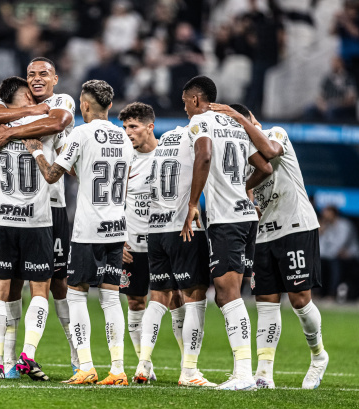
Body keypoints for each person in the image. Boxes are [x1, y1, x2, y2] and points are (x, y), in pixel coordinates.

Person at [211, 102, 330, 390]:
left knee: (300, 299)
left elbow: (273, 154)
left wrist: (239, 117)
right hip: (263, 235)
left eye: (242, 124)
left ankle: (318, 356)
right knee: (266, 302)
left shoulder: (277, 133)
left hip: (296, 226)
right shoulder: (241, 154)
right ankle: (264, 375)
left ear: (251, 120)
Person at [23, 80, 134, 386]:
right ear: (109, 106)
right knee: (112, 299)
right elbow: (117, 182)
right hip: (116, 226)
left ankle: (85, 366)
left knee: (76, 296)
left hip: (88, 229)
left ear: (85, 106)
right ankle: (118, 369)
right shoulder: (124, 138)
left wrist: (36, 151)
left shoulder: (81, 133)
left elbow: (51, 174)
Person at [0, 57, 79, 374]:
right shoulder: (14, 100)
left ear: (55, 79)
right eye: (31, 74)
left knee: (58, 285)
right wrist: (28, 112)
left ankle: (78, 359)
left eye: (43, 74)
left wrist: (11, 131)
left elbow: (58, 122)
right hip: (32, 211)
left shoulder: (62, 100)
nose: (36, 79)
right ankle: (9, 361)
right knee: (17, 285)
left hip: (54, 206)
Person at [181, 75, 272, 390]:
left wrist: (193, 203)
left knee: (227, 294)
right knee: (226, 295)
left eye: (184, 103)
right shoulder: (234, 125)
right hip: (247, 218)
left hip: (227, 221)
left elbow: (204, 156)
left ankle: (244, 375)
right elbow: (265, 167)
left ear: (195, 100)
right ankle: (241, 372)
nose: (185, 110)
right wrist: (241, 188)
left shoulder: (201, 122)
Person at [126, 109, 215, 387]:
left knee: (158, 298)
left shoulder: (164, 144)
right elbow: (206, 161)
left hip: (155, 230)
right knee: (195, 297)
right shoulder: (193, 137)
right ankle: (189, 371)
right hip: (183, 228)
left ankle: (143, 363)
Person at [0, 76, 58, 381]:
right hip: (36, 219)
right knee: (39, 290)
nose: (34, 99)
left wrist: (11, 122)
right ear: (15, 99)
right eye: (29, 95)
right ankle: (25, 355)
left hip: (3, 216)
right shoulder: (44, 120)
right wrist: (30, 113)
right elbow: (56, 119)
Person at [116, 102, 157, 380]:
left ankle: (189, 367)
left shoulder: (168, 153)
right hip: (132, 245)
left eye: (134, 126)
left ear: (149, 127)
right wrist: (118, 238)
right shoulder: (123, 159)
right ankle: (145, 365)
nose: (128, 132)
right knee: (135, 302)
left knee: (176, 299)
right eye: (125, 127)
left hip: (163, 242)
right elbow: (110, 201)